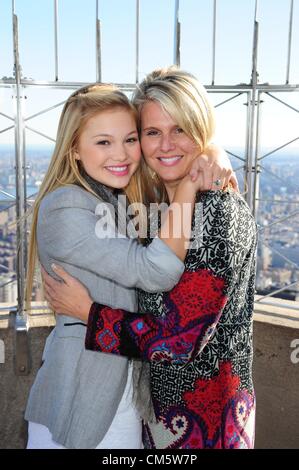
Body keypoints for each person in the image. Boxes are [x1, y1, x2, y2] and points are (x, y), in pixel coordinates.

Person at [43, 67, 257, 449]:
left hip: (204, 425)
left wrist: (89, 314)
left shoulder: (218, 213)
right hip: (155, 418)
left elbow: (179, 340)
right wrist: (203, 159)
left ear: (201, 128)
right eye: (152, 132)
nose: (166, 145)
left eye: (181, 129)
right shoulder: (159, 205)